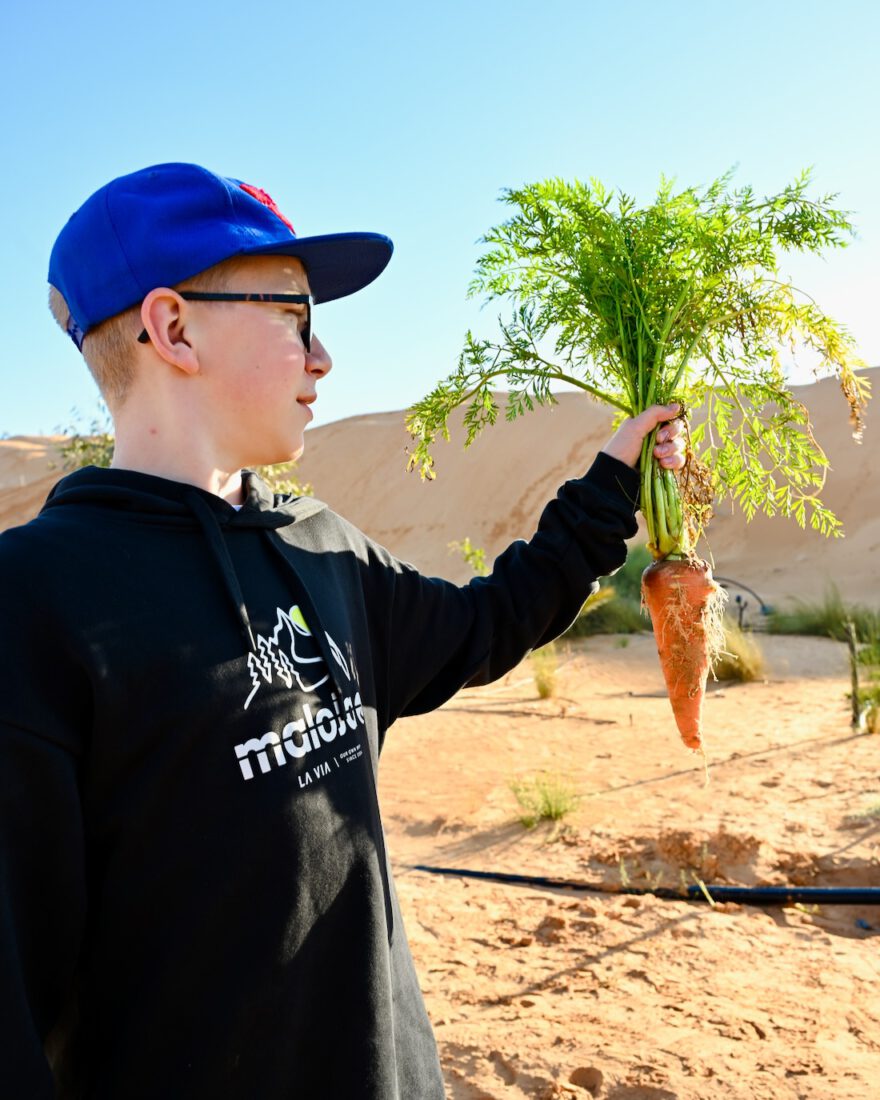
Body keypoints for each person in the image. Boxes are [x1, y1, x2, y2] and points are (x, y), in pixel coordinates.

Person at [0, 163, 685, 1099]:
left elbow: (486, 625)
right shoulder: (32, 604)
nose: (323, 359)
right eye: (295, 319)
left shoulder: (322, 548)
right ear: (172, 327)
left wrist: (609, 489)